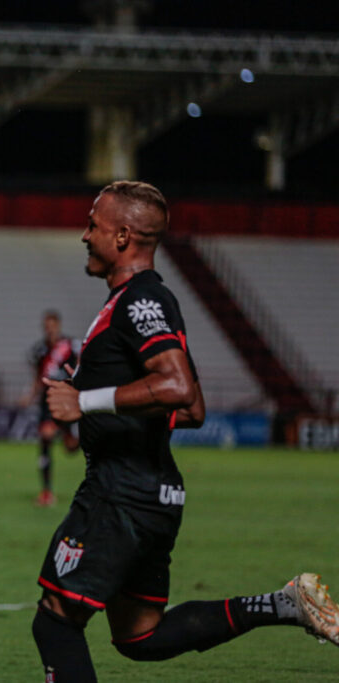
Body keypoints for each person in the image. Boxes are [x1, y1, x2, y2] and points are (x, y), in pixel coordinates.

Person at [31, 180, 338, 681]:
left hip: (121, 493)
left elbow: (176, 387)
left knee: (57, 623)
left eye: (94, 225)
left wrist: (83, 400)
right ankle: (283, 605)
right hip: (155, 493)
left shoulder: (140, 301)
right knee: (140, 636)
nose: (84, 235)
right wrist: (97, 390)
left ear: (124, 236)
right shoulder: (140, 302)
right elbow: (193, 406)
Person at [19, 310, 79, 506]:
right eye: (46, 326)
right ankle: (46, 491)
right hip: (48, 400)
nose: (49, 329)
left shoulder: (70, 346)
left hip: (69, 399)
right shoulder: (39, 350)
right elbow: (38, 377)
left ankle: (68, 435)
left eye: (52, 326)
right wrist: (30, 395)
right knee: (45, 437)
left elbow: (80, 368)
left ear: (58, 325)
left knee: (71, 448)